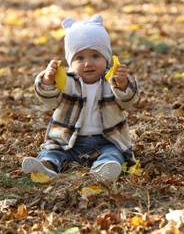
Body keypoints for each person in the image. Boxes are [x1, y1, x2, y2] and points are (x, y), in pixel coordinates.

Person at [22, 14, 138, 182]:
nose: (88, 63)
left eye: (95, 56)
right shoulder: (66, 81)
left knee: (114, 153)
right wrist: (47, 80)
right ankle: (47, 165)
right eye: (80, 58)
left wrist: (122, 84)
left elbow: (127, 101)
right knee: (53, 151)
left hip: (106, 139)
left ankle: (104, 168)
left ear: (106, 58)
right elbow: (49, 99)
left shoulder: (111, 80)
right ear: (70, 61)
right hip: (69, 140)